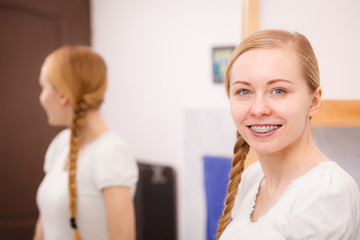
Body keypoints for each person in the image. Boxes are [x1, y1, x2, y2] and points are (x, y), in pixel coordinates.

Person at [216, 30, 360, 240]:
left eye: (278, 90)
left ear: (314, 101)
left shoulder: (327, 193)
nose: (258, 109)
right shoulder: (253, 177)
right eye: (244, 91)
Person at [33, 46, 139, 240]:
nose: (41, 98)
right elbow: (46, 223)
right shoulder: (60, 144)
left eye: (43, 88)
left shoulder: (112, 152)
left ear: (62, 96)